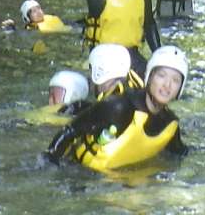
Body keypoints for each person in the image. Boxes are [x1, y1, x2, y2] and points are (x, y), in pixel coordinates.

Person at [46, 45, 190, 170]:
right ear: (149, 77)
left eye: (175, 80)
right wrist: (50, 162)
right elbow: (70, 130)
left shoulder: (170, 125)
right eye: (161, 76)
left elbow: (180, 153)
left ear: (180, 89)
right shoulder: (119, 107)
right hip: (80, 173)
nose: (167, 85)